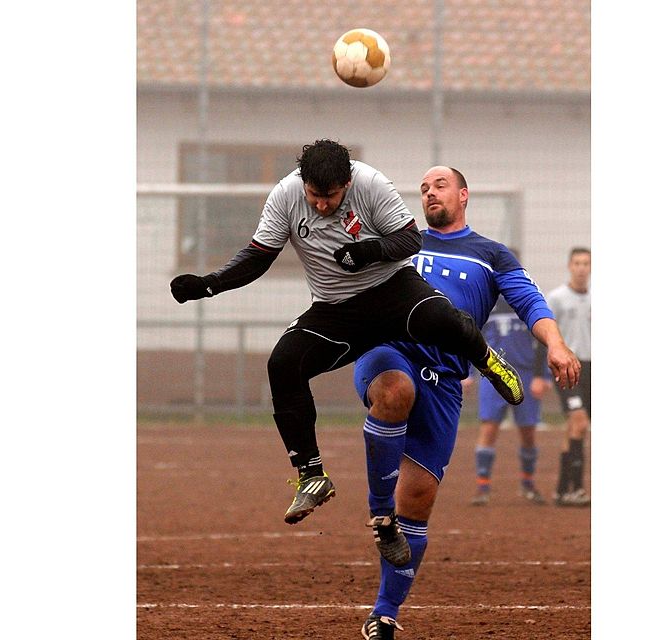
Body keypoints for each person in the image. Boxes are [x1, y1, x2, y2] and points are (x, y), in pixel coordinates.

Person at [169, 140, 526, 525]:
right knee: (283, 364)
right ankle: (311, 475)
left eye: (332, 197)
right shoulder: (285, 195)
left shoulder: (371, 183)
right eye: (314, 196)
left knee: (445, 320)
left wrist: (367, 252)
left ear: (348, 182)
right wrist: (209, 284)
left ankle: (489, 362)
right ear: (302, 183)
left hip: (393, 292)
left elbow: (410, 239)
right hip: (336, 311)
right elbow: (258, 256)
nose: (322, 205)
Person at [353, 166, 581, 639]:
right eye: (422, 188)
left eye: (438, 185)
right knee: (395, 390)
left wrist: (556, 344)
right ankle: (380, 511)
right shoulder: (402, 240)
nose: (429, 192)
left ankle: (384, 614)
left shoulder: (490, 254)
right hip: (389, 353)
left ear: (463, 194)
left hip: (445, 382)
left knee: (417, 501)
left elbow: (532, 303)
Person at [467, 291, 554, 507]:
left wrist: (541, 376)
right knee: (489, 429)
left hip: (525, 375)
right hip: (492, 375)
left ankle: (528, 483)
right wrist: (467, 373)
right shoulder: (484, 303)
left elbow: (544, 340)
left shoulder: (527, 302)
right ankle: (483, 486)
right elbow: (469, 338)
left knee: (528, 433)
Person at [543, 247, 592, 507]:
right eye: (577, 263)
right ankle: (577, 488)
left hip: (593, 368)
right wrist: (541, 374)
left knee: (576, 428)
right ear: (569, 266)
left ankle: (562, 489)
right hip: (568, 366)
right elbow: (545, 335)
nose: (582, 268)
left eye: (586, 263)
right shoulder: (557, 298)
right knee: (580, 422)